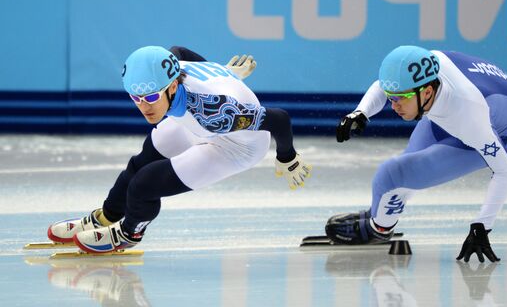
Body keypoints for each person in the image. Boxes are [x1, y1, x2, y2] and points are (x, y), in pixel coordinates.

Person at [47, 46, 311, 253]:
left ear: (173, 86)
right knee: (141, 161)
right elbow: (181, 51)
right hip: (192, 121)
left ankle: (129, 233)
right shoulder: (171, 64)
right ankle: (107, 216)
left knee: (144, 185)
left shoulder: (217, 112)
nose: (144, 107)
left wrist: (287, 158)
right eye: (136, 98)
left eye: (151, 97)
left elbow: (279, 119)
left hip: (236, 146)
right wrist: (223, 74)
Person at [326, 46, 507, 263]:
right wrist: (361, 112)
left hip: (498, 131)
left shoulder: (471, 117)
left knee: (392, 174)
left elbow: (506, 170)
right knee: (405, 168)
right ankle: (381, 215)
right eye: (391, 98)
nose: (393, 106)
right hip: (470, 103)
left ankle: (378, 229)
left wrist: (482, 227)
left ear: (428, 92)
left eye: (400, 98)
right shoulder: (426, 67)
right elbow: (383, 86)